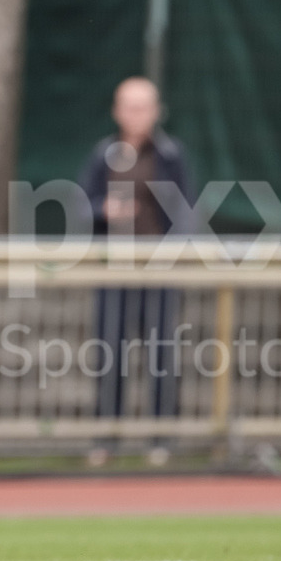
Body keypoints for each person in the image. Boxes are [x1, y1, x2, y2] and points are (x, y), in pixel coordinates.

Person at [77, 77, 193, 418]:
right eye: (129, 107)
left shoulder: (171, 155)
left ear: (156, 111)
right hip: (113, 271)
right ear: (117, 111)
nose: (136, 114)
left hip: (158, 272)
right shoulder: (103, 154)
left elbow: (186, 210)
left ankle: (162, 433)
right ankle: (108, 432)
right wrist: (104, 209)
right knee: (110, 353)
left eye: (142, 107)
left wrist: (176, 253)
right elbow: (81, 203)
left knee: (161, 355)